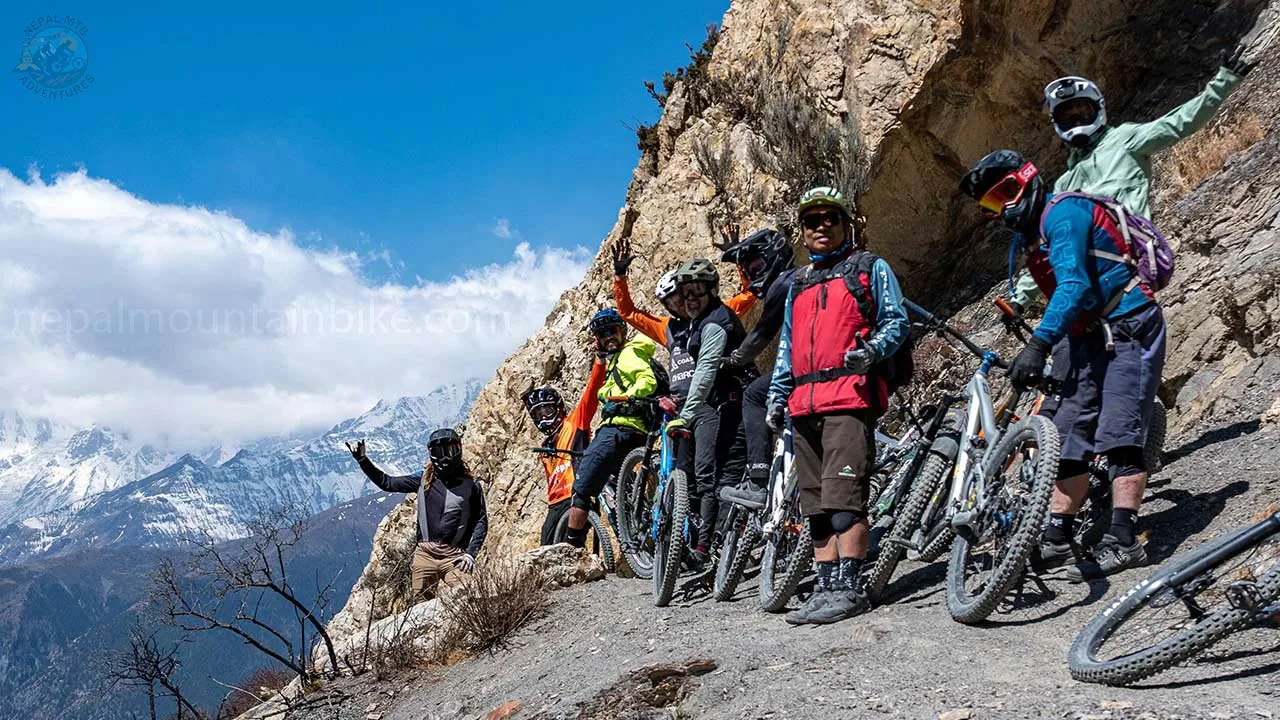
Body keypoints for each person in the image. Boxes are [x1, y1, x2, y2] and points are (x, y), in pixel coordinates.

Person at [961, 150, 1167, 581]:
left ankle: (1124, 540)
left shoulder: (1065, 213)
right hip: (1084, 334)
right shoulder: (1033, 237)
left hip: (1126, 323)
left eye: (1007, 193)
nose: (1004, 208)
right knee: (1069, 431)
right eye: (992, 204)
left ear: (1029, 178)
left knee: (1119, 430)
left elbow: (1073, 284)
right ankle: (1058, 534)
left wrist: (1038, 344)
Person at [1004, 46, 1252, 322]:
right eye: (1067, 117)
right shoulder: (1064, 185)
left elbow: (1177, 123)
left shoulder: (1125, 139)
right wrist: (1020, 300)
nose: (1075, 121)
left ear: (1097, 110)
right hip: (1086, 284)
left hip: (1127, 269)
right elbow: (1052, 243)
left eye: (1082, 113)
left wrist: (1223, 82)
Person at [767, 187, 909, 624]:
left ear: (845, 223)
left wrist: (871, 353)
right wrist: (777, 395)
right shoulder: (800, 284)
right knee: (815, 505)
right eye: (812, 221)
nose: (821, 226)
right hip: (803, 405)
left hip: (849, 398)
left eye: (829, 217)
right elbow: (786, 347)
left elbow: (896, 320)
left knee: (844, 498)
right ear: (803, 232)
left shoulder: (869, 268)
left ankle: (851, 586)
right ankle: (825, 586)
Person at [663, 257, 749, 566]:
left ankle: (724, 550)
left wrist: (687, 413)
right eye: (686, 294)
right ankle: (716, 548)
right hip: (724, 404)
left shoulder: (714, 322)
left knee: (722, 475)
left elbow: (706, 370)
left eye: (697, 290)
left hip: (736, 404)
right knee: (718, 476)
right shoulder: (701, 320)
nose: (691, 299)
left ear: (712, 290)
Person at [346, 428, 488, 601]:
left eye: (448, 451)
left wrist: (471, 554)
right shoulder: (422, 480)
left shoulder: (471, 486)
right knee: (420, 608)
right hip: (425, 555)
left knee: (469, 598)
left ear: (458, 450)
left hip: (455, 557)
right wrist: (363, 461)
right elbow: (388, 483)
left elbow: (481, 521)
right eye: (438, 452)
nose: (444, 457)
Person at [562, 308, 660, 549]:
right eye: (602, 334)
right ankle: (635, 531)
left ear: (622, 331)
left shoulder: (628, 355)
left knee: (582, 488)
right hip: (636, 430)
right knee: (619, 484)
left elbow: (646, 380)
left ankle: (571, 547)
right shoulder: (618, 358)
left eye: (612, 331)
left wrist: (628, 396)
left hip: (617, 428)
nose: (608, 337)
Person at [718, 228, 799, 508]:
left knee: (754, 395)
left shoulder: (784, 283)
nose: (754, 276)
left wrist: (733, 360)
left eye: (756, 267)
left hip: (810, 367)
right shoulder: (806, 278)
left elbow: (760, 334)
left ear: (774, 256)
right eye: (749, 271)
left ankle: (758, 481)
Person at [522, 353, 606, 545]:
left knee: (572, 544)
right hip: (554, 504)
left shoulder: (574, 422)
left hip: (576, 494)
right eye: (537, 415)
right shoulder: (544, 447)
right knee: (545, 547)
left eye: (547, 411)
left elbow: (592, 392)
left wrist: (599, 362)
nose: (543, 418)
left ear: (559, 408)